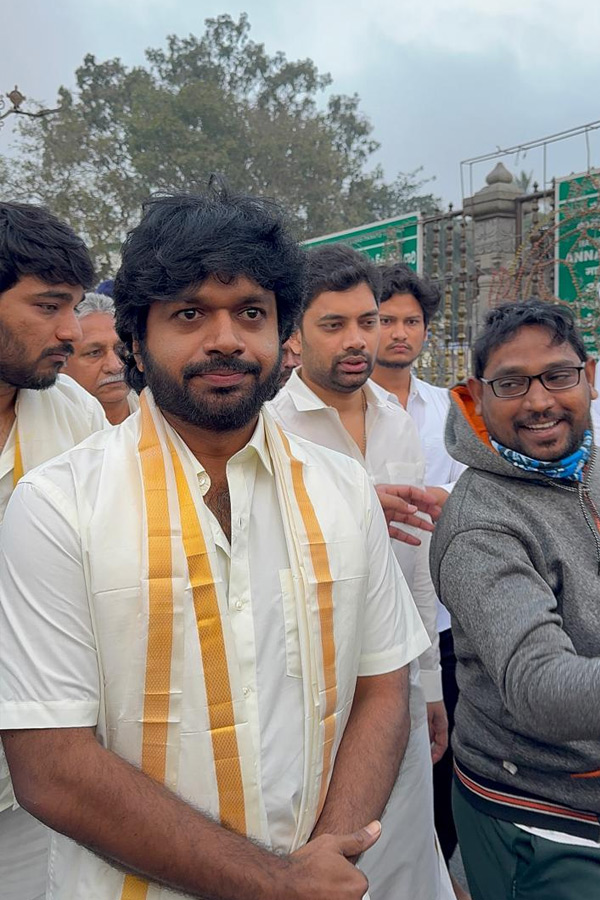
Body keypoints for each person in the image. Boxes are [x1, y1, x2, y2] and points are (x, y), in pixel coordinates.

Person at [0, 186, 430, 900]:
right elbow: (50, 764)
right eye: (190, 313)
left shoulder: (342, 488)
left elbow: (382, 685)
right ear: (137, 339)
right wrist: (274, 883)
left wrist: (327, 855)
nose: (226, 339)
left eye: (251, 314)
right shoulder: (56, 505)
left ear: (281, 337)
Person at [269, 244, 453, 900]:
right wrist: (344, 513)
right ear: (293, 335)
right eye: (334, 324)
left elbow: (415, 568)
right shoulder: (268, 428)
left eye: (368, 321)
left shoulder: (396, 422)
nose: (359, 340)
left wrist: (428, 684)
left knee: (402, 852)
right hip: (302, 693)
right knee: (318, 858)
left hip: (394, 679)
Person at [430, 300, 600, 900]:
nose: (539, 401)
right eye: (511, 383)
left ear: (590, 376)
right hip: (548, 809)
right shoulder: (481, 526)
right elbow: (540, 688)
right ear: (477, 396)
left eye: (558, 375)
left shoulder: (587, 467)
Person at [0, 201, 108, 900]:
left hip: (34, 777)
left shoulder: (77, 416)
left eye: (73, 306)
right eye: (48, 306)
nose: (70, 331)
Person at [371, 263, 466, 882]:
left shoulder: (450, 407)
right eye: (386, 321)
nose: (399, 334)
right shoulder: (340, 408)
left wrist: (446, 499)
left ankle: (437, 870)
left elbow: (475, 487)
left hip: (448, 611)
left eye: (412, 321)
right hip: (377, 609)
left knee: (443, 745)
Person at [66, 291, 139, 423]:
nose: (115, 366)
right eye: (94, 352)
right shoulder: (48, 432)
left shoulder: (164, 418)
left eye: (122, 349)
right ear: (61, 364)